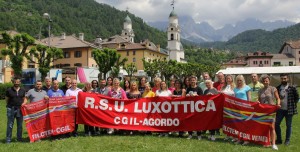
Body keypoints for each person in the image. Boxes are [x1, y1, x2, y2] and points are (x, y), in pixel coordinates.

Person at [275, 73, 299, 146]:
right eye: (282, 78)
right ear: (280, 79)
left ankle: (287, 141)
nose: (283, 80)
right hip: (280, 110)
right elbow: (277, 98)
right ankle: (279, 140)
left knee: (289, 125)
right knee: (276, 124)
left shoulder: (292, 87)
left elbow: (297, 98)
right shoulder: (278, 88)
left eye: (285, 78)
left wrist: (292, 104)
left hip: (289, 110)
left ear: (287, 79)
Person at [258, 75, 280, 150]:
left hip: (271, 110)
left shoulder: (273, 88)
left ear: (269, 81)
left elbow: (278, 98)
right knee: (264, 126)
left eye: (266, 80)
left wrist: (278, 104)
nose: (265, 82)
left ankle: (273, 144)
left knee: (272, 127)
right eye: (264, 81)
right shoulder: (260, 90)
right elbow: (259, 100)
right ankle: (266, 142)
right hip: (263, 111)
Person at [5, 77, 26, 144]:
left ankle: (19, 138)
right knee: (10, 125)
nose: (16, 83)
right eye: (15, 82)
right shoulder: (9, 90)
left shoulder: (23, 90)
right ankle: (8, 140)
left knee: (19, 125)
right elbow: (6, 100)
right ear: (13, 82)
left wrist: (23, 103)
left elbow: (24, 98)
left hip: (20, 109)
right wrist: (10, 106)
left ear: (20, 82)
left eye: (18, 82)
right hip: (11, 109)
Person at [233, 75, 251, 145]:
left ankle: (246, 140)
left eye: (240, 80)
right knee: (238, 125)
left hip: (245, 108)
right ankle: (239, 139)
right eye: (238, 80)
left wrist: (249, 107)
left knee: (245, 124)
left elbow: (249, 99)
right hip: (237, 108)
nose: (239, 81)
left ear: (243, 80)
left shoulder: (247, 87)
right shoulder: (235, 89)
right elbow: (234, 99)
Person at [186, 76, 203, 140]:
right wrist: (187, 96)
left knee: (198, 121)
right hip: (190, 107)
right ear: (189, 82)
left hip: (197, 108)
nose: (192, 81)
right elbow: (185, 98)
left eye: (194, 80)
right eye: (191, 80)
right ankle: (190, 134)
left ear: (196, 81)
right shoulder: (188, 89)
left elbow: (202, 99)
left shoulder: (199, 89)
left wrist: (197, 96)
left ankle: (199, 135)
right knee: (189, 121)